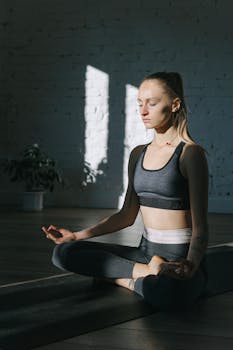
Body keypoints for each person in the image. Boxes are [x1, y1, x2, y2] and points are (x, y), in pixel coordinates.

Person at [42, 71, 209, 310]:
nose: (143, 111)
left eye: (152, 103)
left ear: (174, 105)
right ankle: (144, 273)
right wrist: (76, 236)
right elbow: (126, 215)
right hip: (145, 256)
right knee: (64, 252)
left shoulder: (190, 154)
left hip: (178, 260)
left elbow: (201, 226)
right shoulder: (138, 154)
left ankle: (122, 278)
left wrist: (190, 265)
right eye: (140, 103)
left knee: (167, 292)